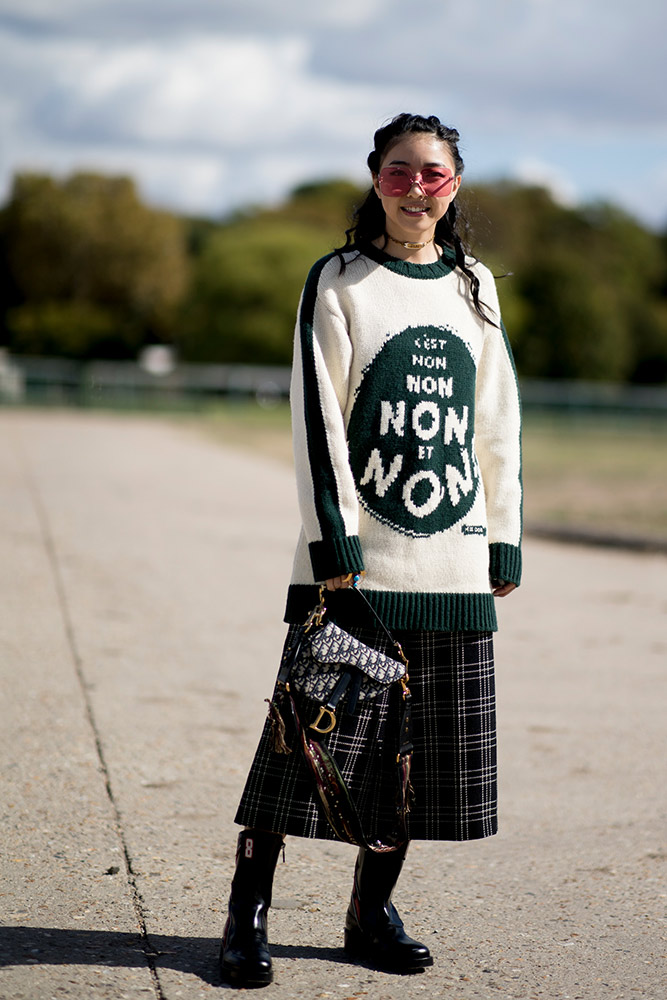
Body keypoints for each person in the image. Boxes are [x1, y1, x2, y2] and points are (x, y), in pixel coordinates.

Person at [219, 112, 522, 987]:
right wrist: (335, 548)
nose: (415, 189)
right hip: (358, 565)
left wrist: (501, 535)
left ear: (454, 186)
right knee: (295, 756)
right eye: (399, 172)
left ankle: (368, 913)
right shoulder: (341, 279)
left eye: (432, 175)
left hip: (453, 562)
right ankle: (248, 916)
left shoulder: (475, 287)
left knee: (418, 767)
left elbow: (495, 417)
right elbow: (317, 417)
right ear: (374, 179)